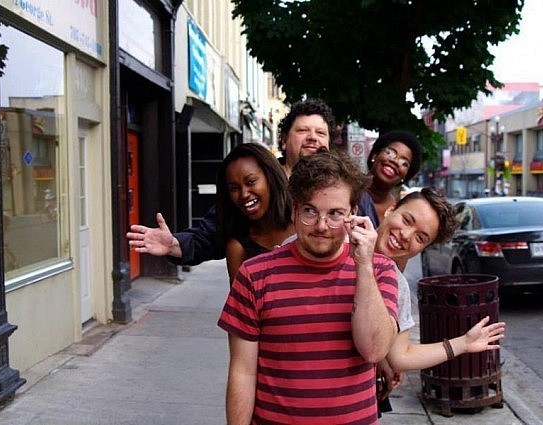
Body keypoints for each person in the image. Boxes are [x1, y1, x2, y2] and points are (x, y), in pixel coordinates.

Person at [217, 149, 398, 424]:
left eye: (335, 213)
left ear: (353, 214)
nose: (322, 226)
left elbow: (374, 350)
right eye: (310, 211)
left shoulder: (379, 270)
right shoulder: (254, 275)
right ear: (294, 210)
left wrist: (363, 266)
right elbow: (243, 371)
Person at [126, 98, 335, 265]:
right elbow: (209, 235)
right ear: (283, 139)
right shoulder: (259, 188)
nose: (312, 137)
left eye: (320, 133)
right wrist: (173, 244)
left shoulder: (345, 190)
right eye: (302, 130)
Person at [373, 187, 505, 407]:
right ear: (390, 210)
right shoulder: (336, 241)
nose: (405, 235)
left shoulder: (397, 285)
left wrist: (463, 343)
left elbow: (401, 356)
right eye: (406, 220)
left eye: (420, 237)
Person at [215, 143, 293, 280]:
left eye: (250, 182)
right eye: (234, 188)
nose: (244, 194)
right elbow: (240, 301)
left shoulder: (305, 224)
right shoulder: (237, 248)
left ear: (271, 178)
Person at [358, 130, 423, 227]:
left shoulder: (397, 211)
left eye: (404, 163)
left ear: (405, 176)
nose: (395, 161)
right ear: (375, 155)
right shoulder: (348, 188)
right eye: (390, 153)